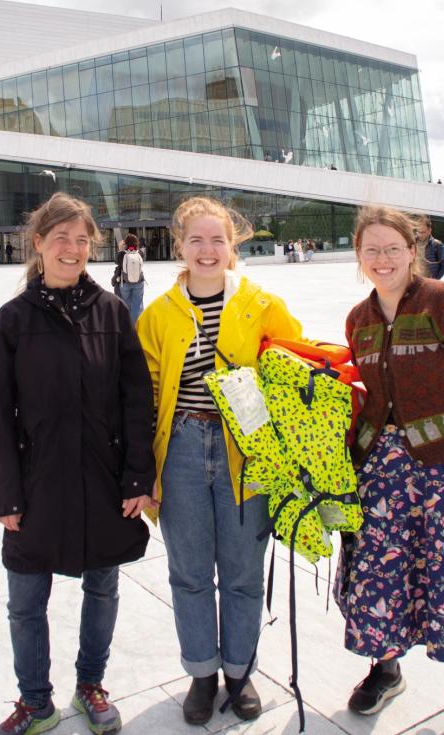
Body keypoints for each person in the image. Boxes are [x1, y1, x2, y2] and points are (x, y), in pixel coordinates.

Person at [0, 192, 155, 735]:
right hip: (37, 483)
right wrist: (6, 496)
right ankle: (35, 703)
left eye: (82, 240)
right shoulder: (13, 320)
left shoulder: (112, 312)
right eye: (61, 237)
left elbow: (136, 401)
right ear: (38, 243)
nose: (72, 248)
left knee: (102, 587)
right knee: (25, 600)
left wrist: (138, 477)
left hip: (104, 482)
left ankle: (91, 685)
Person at [334, 205, 444, 735]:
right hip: (382, 470)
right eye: (371, 249)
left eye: (393, 248)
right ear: (359, 255)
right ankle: (386, 670)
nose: (382, 259)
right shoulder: (359, 319)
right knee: (380, 569)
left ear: (413, 250)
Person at [136, 196, 305, 726]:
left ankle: (239, 670)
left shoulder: (263, 305)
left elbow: (295, 374)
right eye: (196, 240)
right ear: (180, 246)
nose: (207, 250)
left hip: (245, 451)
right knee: (188, 572)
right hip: (182, 448)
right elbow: (144, 395)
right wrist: (144, 471)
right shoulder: (158, 315)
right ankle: (202, 673)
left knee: (242, 571)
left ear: (232, 246)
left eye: (217, 240)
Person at [112, 233, 145, 322]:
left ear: (125, 243)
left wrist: (120, 248)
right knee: (137, 305)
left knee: (126, 305)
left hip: (125, 282)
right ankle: (137, 324)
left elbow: (117, 262)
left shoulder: (123, 254)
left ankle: (127, 324)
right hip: (139, 282)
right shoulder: (140, 253)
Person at [415, 215, 444, 279]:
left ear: (429, 230)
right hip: (416, 280)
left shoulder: (437, 245)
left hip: (430, 280)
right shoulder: (412, 243)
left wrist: (435, 279)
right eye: (418, 232)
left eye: (423, 232)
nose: (420, 235)